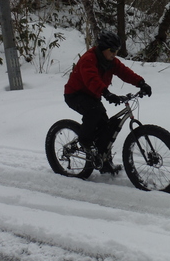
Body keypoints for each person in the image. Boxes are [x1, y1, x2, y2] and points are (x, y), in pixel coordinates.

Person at [64, 31, 152, 174]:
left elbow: (125, 72)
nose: (114, 54)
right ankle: (85, 141)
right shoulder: (89, 59)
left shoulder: (111, 62)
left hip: (93, 95)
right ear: (103, 48)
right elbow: (91, 79)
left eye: (116, 50)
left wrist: (141, 83)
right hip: (75, 94)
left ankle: (104, 162)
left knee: (106, 128)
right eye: (112, 50)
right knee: (94, 112)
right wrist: (106, 93)